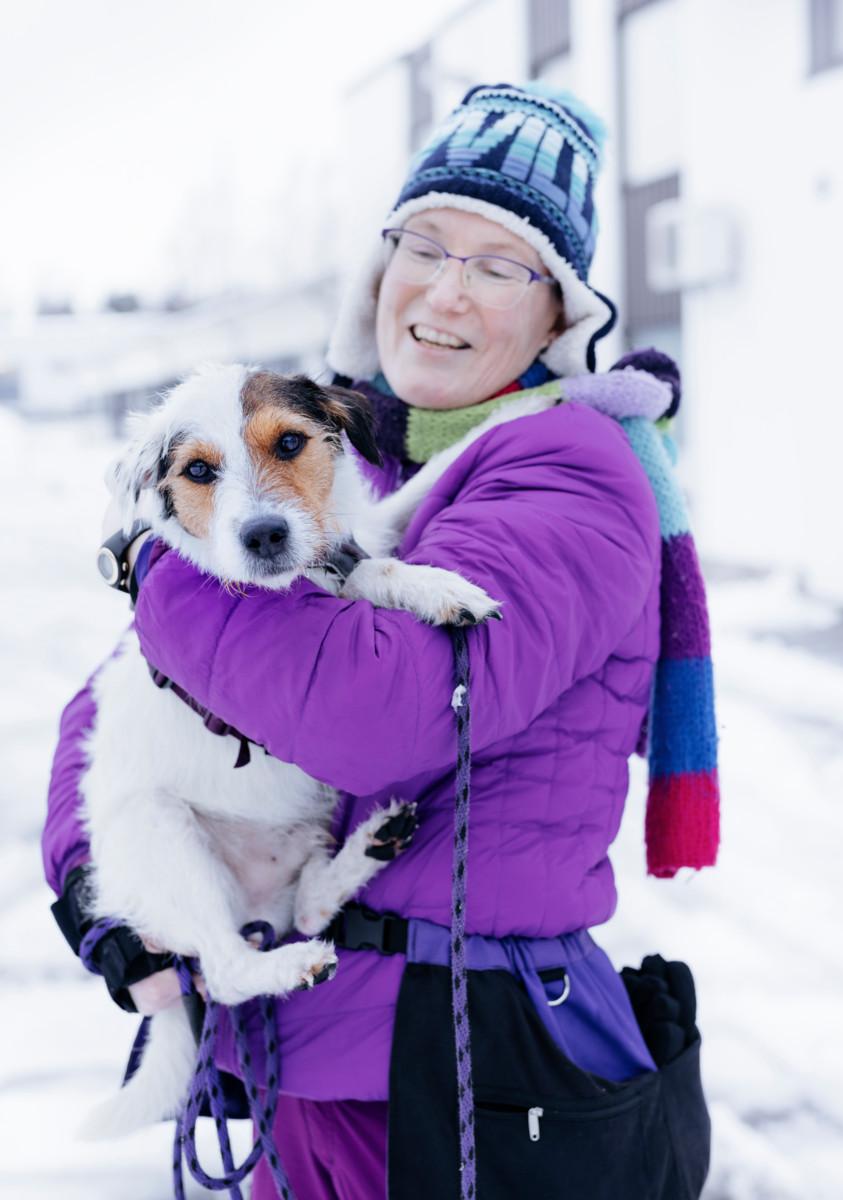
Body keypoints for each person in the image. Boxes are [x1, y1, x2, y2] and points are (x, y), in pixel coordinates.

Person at [43, 82, 719, 1199]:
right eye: (427, 244)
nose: (447, 290)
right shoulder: (338, 456)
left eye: (502, 266)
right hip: (306, 1056)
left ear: (558, 315)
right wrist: (114, 913)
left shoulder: (571, 467)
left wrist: (160, 556)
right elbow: (114, 719)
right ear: (378, 268)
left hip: (464, 1065)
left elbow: (382, 716)